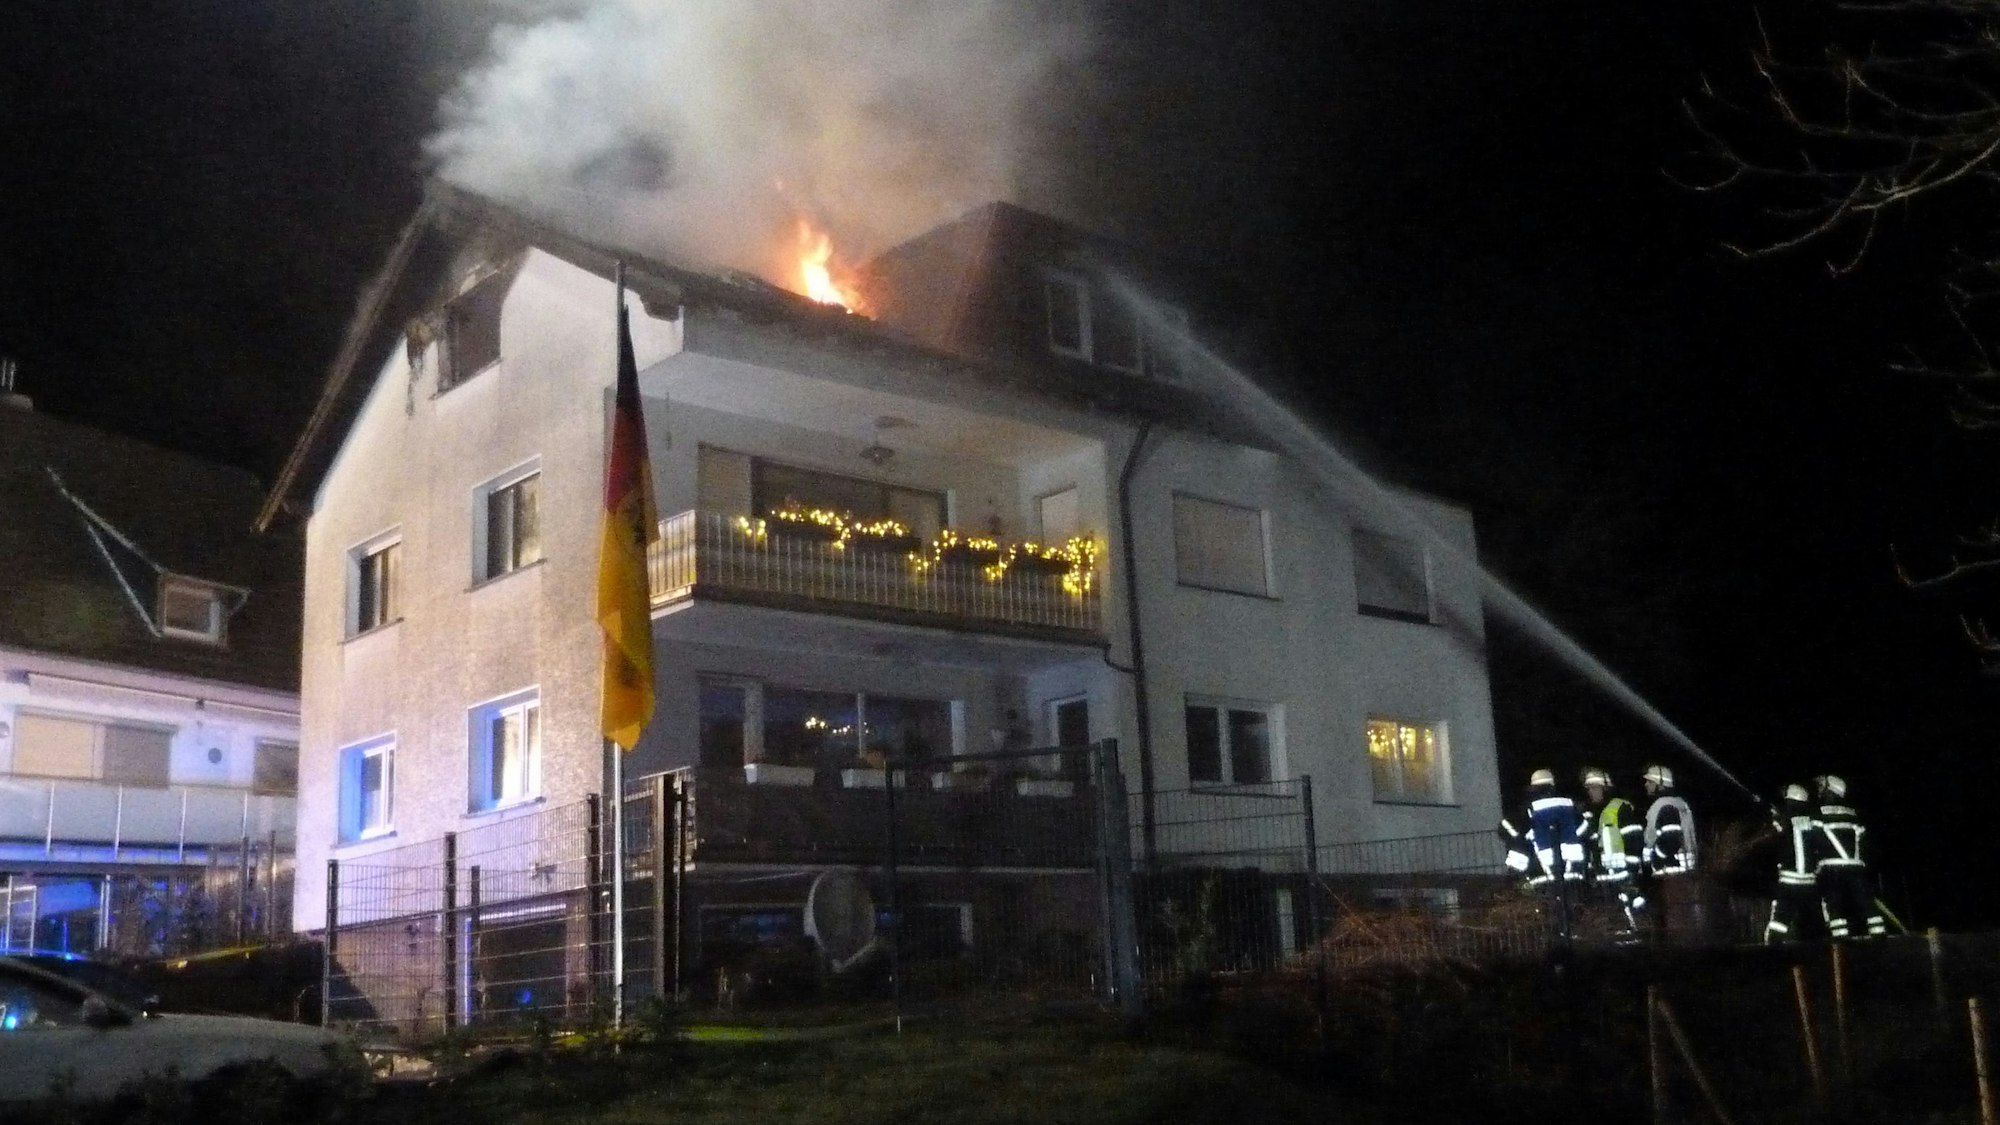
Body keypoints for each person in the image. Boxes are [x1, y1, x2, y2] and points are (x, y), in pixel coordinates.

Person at [1812, 774, 1886, 940]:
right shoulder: (1854, 813)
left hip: (1831, 867)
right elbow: (1865, 842)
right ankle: (1878, 932)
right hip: (1856, 866)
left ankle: (1839, 939)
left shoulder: (1818, 813)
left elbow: (1812, 839)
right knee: (1865, 900)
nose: (1819, 791)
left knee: (1833, 903)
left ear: (1830, 790)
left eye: (1822, 787)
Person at [1580, 766, 1647, 942]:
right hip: (1602, 874)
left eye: (1595, 787)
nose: (1591, 792)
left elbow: (1633, 837)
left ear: (1605, 788)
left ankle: (1641, 936)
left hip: (1623, 872)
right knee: (1612, 912)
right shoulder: (1588, 815)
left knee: (1633, 905)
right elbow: (1589, 844)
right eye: (1589, 789)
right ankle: (1622, 939)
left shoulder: (1620, 808)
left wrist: (1631, 867)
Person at [1764, 783, 1821, 944]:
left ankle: (1773, 954)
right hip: (1810, 881)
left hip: (1789, 881)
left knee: (1779, 921)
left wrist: (1774, 816)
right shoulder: (1813, 820)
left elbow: (1774, 837)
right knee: (1811, 922)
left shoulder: (1783, 818)